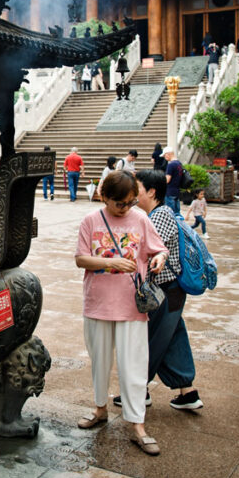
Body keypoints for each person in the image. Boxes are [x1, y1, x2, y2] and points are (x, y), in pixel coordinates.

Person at [75, 170, 168, 455]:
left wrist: (160, 260)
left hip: (132, 304)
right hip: (98, 302)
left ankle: (137, 424)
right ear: (105, 197)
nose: (126, 208)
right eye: (120, 203)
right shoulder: (90, 221)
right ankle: (100, 408)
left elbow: (158, 249)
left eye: (130, 202)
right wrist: (113, 260)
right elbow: (80, 259)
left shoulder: (140, 218)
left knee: (134, 366)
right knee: (99, 360)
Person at [128, 169, 204, 412]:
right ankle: (187, 392)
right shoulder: (159, 213)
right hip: (171, 292)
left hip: (165, 291)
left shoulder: (159, 215)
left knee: (150, 340)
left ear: (151, 192)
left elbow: (144, 251)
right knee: (173, 339)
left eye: (136, 188)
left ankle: (139, 391)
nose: (133, 193)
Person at [163, 148, 183, 214]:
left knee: (170, 213)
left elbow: (167, 179)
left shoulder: (171, 165)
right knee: (177, 213)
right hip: (176, 191)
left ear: (168, 154)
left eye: (164, 156)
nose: (164, 158)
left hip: (170, 191)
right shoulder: (179, 163)